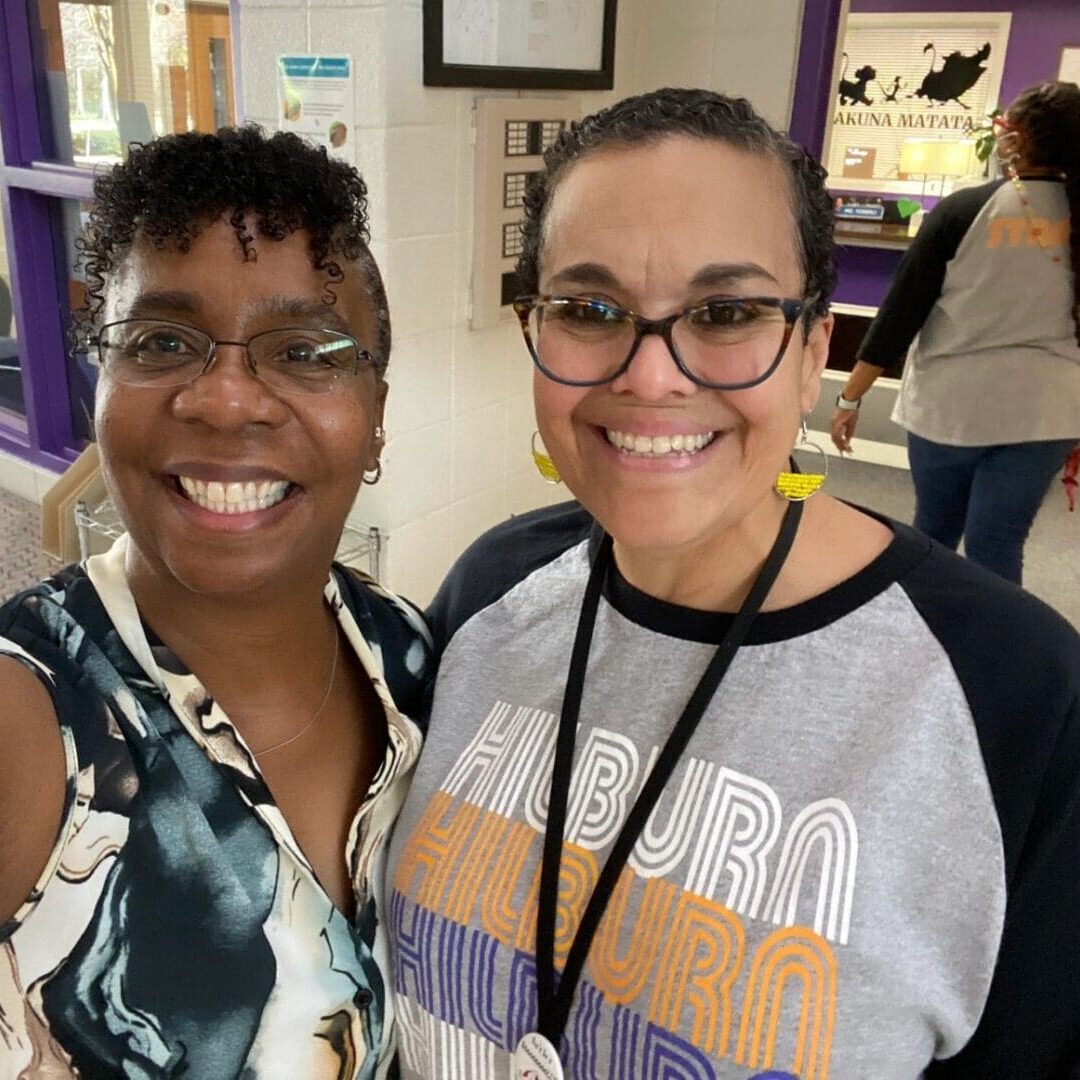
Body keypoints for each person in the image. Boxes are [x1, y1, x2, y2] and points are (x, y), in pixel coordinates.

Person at [386, 88, 1080, 1078]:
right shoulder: (489, 591)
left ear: (810, 354)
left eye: (726, 312)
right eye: (589, 309)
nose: (652, 376)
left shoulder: (1019, 700)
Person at [0, 127, 431, 1078]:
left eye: (306, 351)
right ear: (100, 382)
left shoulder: (415, 662)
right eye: (160, 341)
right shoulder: (27, 717)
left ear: (376, 420)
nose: (228, 400)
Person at [829, 80, 1080, 586]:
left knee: (934, 533)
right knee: (999, 542)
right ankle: (991, 654)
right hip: (1049, 413)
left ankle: (921, 635)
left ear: (1015, 139)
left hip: (953, 407)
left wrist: (851, 398)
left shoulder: (964, 211)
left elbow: (900, 315)